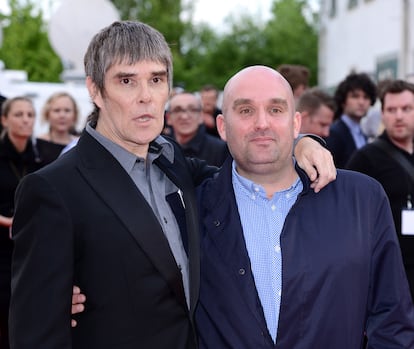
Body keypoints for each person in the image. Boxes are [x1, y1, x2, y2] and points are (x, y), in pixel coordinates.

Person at [9, 21, 335, 349]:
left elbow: (243, 170)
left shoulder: (172, 161)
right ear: (95, 90)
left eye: (156, 79)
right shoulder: (52, 190)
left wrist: (301, 142)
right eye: (126, 81)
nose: (145, 97)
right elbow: (36, 335)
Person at [194, 66, 414, 348]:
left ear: (296, 123)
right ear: (222, 126)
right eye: (246, 110)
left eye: (275, 110)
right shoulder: (191, 207)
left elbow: (393, 319)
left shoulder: (362, 200)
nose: (262, 123)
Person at [347, 79, 414, 301]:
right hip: (390, 275)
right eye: (391, 110)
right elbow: (347, 218)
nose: (399, 116)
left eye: (406, 109)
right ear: (382, 114)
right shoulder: (366, 158)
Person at [0, 97, 43, 349]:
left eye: (30, 115)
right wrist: (6, 221)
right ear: (5, 119)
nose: (26, 120)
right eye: (19, 115)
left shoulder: (38, 159)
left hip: (28, 249)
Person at [325, 72, 377, 168]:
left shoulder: (363, 135)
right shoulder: (334, 133)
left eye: (366, 97)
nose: (361, 102)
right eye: (355, 96)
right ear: (343, 101)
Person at [167, 92, 229, 166]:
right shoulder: (159, 148)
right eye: (178, 110)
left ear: (201, 116)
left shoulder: (220, 150)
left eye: (192, 110)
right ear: (169, 118)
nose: (184, 116)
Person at [36, 92, 80, 164]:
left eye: (67, 110)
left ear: (75, 115)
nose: (62, 115)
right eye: (57, 110)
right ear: (47, 114)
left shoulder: (79, 145)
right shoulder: (36, 145)